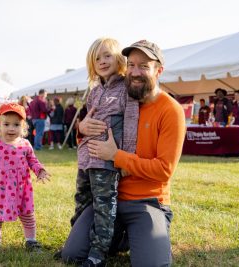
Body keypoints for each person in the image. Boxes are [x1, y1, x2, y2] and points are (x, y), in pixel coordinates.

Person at [60, 39, 186, 267]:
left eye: (144, 66)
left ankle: (136, 233)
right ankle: (119, 236)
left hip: (146, 202)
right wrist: (82, 128)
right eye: (132, 65)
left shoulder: (170, 110)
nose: (135, 72)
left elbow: (164, 170)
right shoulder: (116, 98)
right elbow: (95, 133)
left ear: (159, 71)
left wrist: (116, 156)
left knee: (150, 264)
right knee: (71, 254)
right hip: (108, 198)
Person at [68, 37, 139, 267]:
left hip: (105, 161)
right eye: (97, 58)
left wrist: (125, 159)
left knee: (103, 207)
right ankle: (76, 242)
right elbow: (86, 122)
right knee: (81, 202)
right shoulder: (94, 90)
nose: (102, 61)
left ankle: (98, 254)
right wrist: (81, 126)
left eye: (107, 55)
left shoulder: (126, 88)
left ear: (118, 58)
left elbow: (131, 123)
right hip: (86, 159)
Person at [0, 103, 50, 251]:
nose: (11, 128)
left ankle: (31, 240)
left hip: (21, 188)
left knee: (27, 214)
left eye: (16, 124)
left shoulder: (25, 144)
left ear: (23, 127)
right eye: (6, 124)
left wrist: (40, 171)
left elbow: (33, 161)